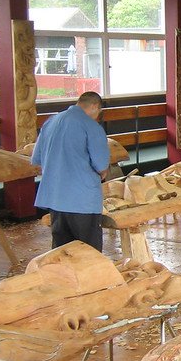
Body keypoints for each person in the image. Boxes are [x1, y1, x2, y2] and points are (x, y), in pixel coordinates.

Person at [31, 91, 110, 251]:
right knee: (89, 252)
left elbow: (36, 159)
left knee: (62, 252)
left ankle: (63, 277)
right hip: (82, 201)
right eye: (99, 111)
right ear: (95, 106)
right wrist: (103, 172)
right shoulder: (90, 126)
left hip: (55, 198)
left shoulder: (51, 121)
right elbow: (101, 165)